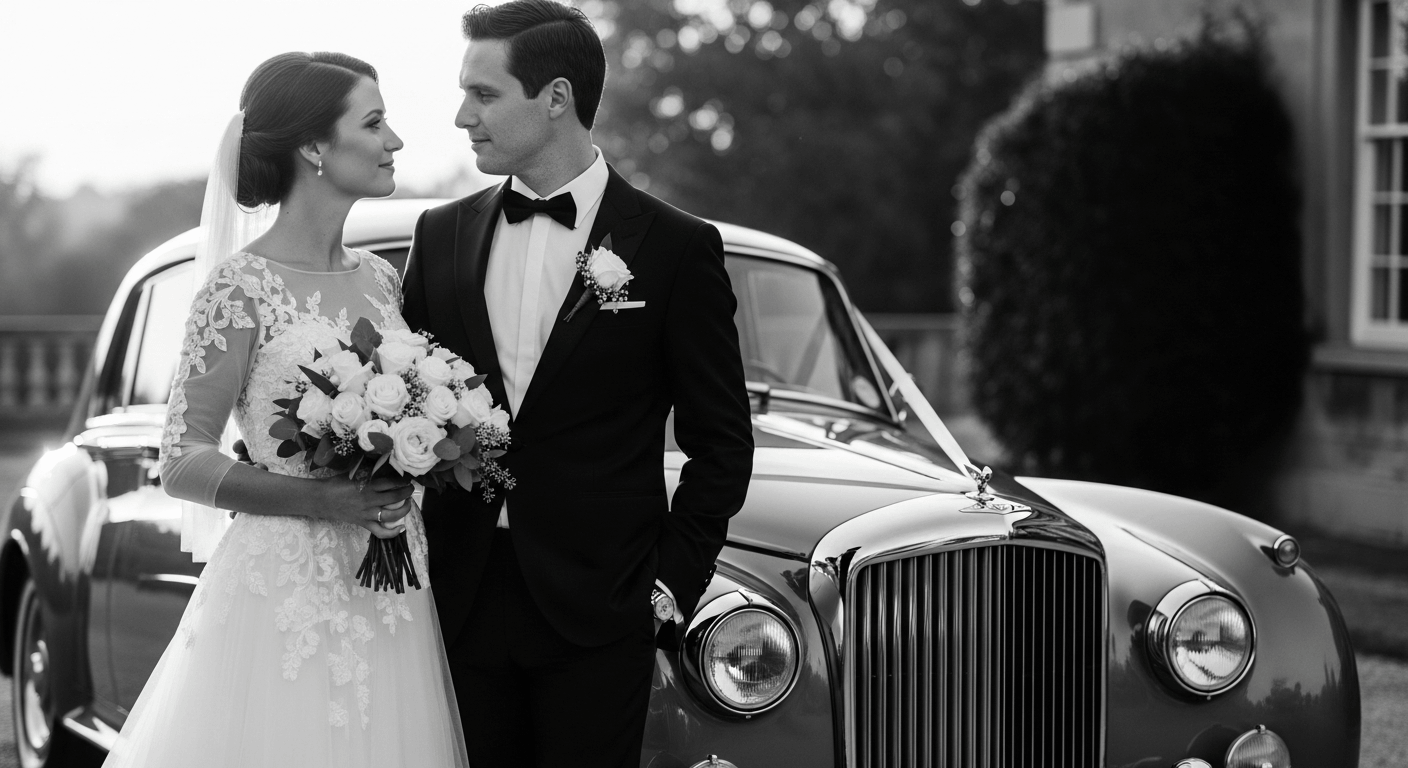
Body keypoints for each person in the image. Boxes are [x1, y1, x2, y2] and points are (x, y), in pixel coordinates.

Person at [401, 2, 754, 766]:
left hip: (603, 612)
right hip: (456, 604)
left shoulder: (676, 248)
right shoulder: (438, 237)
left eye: (484, 94)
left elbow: (721, 443)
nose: (463, 115)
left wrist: (666, 589)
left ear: (556, 97)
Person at [102, 52, 469, 768]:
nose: (394, 140)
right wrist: (325, 500)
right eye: (374, 122)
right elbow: (181, 459)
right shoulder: (239, 288)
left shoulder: (381, 280)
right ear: (313, 148)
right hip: (285, 588)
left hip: (391, 579)